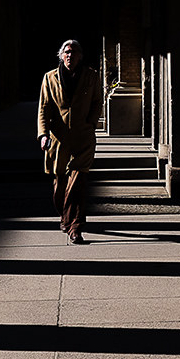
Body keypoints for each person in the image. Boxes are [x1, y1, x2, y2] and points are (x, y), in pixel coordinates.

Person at [37, 38, 103, 245]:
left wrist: (91, 123)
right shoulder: (49, 78)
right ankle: (66, 218)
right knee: (60, 186)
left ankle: (75, 227)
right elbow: (44, 108)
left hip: (83, 137)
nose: (70, 55)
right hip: (59, 139)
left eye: (74, 52)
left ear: (80, 56)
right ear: (61, 55)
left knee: (78, 181)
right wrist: (43, 134)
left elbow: (97, 101)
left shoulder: (91, 76)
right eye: (67, 52)